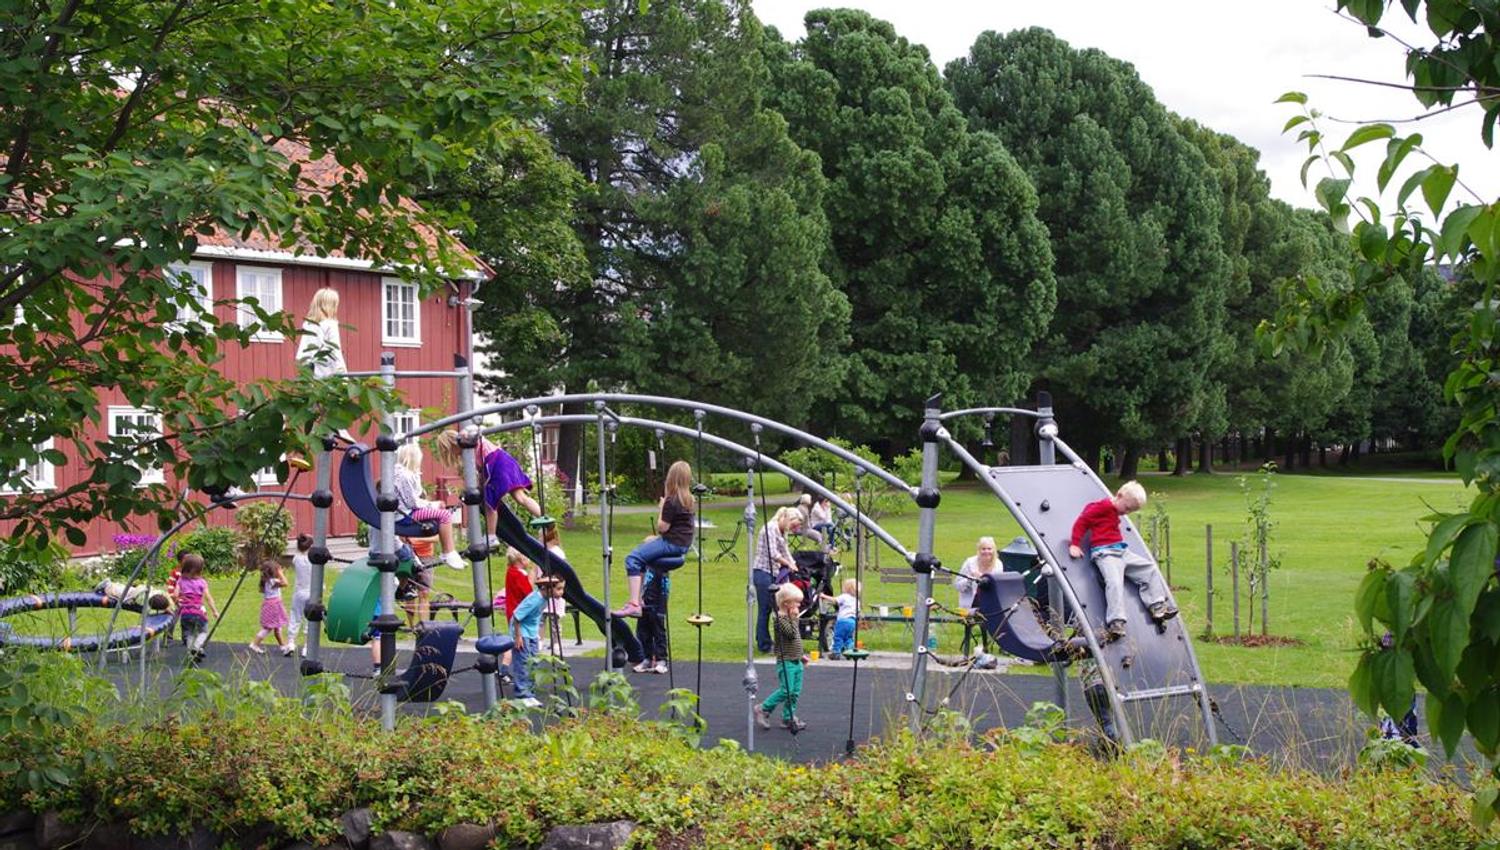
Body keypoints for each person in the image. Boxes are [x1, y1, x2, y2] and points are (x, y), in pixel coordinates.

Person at [1067, 481, 1176, 640]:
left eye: (1131, 510)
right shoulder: (1100, 507)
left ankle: (1157, 607)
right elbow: (1082, 521)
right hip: (1106, 553)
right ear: (1119, 496)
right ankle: (1116, 621)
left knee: (1149, 568)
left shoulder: (1116, 509)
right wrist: (1075, 544)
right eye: (1127, 508)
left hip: (1121, 551)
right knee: (1114, 582)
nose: (1127, 513)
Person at [612, 460, 695, 618]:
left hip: (672, 543)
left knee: (633, 559)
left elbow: (662, 527)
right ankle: (640, 599)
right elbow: (677, 527)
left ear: (671, 478)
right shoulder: (689, 499)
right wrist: (655, 539)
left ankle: (634, 604)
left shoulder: (672, 500)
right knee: (646, 546)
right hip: (682, 544)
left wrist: (662, 508)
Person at [393, 442, 465, 570]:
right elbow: (412, 502)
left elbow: (416, 494)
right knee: (445, 515)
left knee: (440, 513)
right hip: (405, 515)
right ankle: (448, 552)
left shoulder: (399, 473)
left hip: (402, 513)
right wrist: (433, 505)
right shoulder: (405, 476)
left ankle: (448, 551)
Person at [753, 583, 808, 732]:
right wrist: (794, 618)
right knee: (786, 690)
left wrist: (801, 655)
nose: (799, 605)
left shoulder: (789, 618)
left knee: (795, 692)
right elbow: (790, 634)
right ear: (786, 603)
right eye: (796, 602)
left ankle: (788, 717)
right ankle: (763, 708)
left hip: (795, 660)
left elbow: (795, 639)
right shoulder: (780, 620)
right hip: (786, 661)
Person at [751, 506, 801, 652]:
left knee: (776, 607)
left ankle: (774, 640)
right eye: (792, 525)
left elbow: (785, 551)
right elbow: (773, 553)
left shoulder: (781, 531)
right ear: (786, 518)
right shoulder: (771, 528)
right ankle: (764, 644)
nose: (792, 528)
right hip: (762, 572)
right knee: (765, 608)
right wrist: (789, 564)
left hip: (773, 573)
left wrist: (795, 565)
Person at [509, 564, 553, 706]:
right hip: (521, 632)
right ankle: (522, 695)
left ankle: (530, 693)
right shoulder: (535, 600)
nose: (561, 592)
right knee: (522, 662)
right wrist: (517, 636)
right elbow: (516, 617)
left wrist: (536, 635)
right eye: (558, 589)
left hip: (531, 632)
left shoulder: (545, 599)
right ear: (546, 588)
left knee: (533, 663)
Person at [173, 554, 218, 662]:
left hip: (185, 613)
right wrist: (215, 611)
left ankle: (191, 654)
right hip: (198, 612)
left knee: (189, 633)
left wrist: (177, 603)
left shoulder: (181, 581)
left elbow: (175, 595)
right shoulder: (202, 582)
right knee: (203, 631)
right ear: (199, 570)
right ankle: (197, 647)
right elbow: (208, 598)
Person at [293, 287, 347, 378]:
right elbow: (335, 351)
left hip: (310, 373)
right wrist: (344, 375)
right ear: (331, 306)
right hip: (328, 373)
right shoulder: (331, 324)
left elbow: (302, 353)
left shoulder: (308, 324)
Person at [633, 560, 671, 675]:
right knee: (643, 632)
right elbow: (640, 583)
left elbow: (665, 587)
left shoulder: (662, 567)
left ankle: (661, 660)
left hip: (657, 604)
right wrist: (638, 599)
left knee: (658, 632)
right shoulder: (644, 566)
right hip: (645, 603)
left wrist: (662, 605)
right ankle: (647, 659)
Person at [249, 560, 292, 656]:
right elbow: (285, 583)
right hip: (274, 605)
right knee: (268, 628)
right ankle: (254, 644)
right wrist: (280, 573)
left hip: (271, 605)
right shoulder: (273, 581)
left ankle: (283, 646)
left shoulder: (266, 581)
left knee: (277, 627)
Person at [954, 536, 1000, 611]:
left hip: (990, 603)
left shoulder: (998, 564)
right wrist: (970, 578)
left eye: (989, 549)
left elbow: (998, 587)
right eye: (983, 549)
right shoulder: (969, 563)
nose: (986, 552)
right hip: (969, 605)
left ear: (994, 550)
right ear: (979, 550)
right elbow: (958, 586)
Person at [287, 533, 314, 656]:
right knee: (310, 619)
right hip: (312, 591)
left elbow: (299, 553)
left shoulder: (296, 559)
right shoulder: (312, 560)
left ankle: (291, 643)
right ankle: (307, 647)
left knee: (295, 616)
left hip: (299, 591)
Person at [822, 578, 861, 660]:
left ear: (847, 588)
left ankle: (836, 653)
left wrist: (823, 596)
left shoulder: (844, 596)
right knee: (848, 637)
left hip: (843, 621)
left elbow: (834, 600)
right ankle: (851, 651)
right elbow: (858, 611)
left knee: (838, 637)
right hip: (852, 622)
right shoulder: (857, 601)